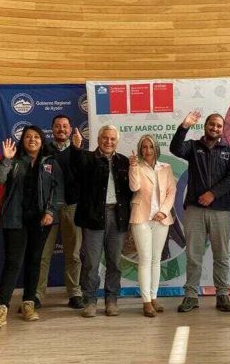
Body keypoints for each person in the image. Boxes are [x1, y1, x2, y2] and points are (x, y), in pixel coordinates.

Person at [0, 125, 64, 329]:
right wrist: (6, 160)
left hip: (41, 221)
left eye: (36, 136)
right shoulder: (14, 160)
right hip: (15, 220)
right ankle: (1, 308)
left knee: (34, 261)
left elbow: (57, 191)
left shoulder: (50, 162)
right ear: (23, 141)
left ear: (42, 140)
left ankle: (28, 303)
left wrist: (50, 212)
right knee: (12, 263)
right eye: (28, 136)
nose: (32, 139)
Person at [170, 111, 230, 312]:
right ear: (205, 126)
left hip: (220, 210)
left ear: (222, 129)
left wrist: (213, 194)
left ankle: (222, 294)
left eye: (219, 126)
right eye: (212, 124)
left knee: (221, 255)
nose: (215, 128)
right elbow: (175, 148)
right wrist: (184, 126)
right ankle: (191, 295)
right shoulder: (193, 147)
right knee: (193, 255)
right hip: (195, 209)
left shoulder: (229, 151)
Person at [71, 125, 132, 318]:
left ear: (117, 141)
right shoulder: (87, 158)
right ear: (98, 140)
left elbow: (130, 190)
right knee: (91, 262)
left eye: (113, 139)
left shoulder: (124, 161)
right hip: (93, 217)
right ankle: (90, 300)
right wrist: (76, 149)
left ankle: (111, 300)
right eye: (105, 138)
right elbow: (75, 170)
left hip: (118, 216)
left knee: (115, 262)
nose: (108, 142)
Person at [36, 115, 83, 310]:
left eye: (65, 126)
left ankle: (74, 293)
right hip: (48, 209)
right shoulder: (43, 150)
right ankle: (37, 294)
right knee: (43, 254)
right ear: (52, 129)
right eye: (57, 126)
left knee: (74, 254)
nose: (61, 129)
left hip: (72, 207)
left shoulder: (78, 150)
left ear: (70, 129)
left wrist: (77, 150)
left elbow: (82, 176)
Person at [128, 134, 176, 317]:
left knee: (156, 260)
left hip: (161, 219)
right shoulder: (137, 166)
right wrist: (133, 167)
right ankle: (146, 301)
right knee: (145, 259)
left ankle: (154, 297)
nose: (147, 150)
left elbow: (171, 192)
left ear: (156, 148)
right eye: (144, 147)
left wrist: (163, 211)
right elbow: (134, 187)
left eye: (150, 146)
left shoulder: (166, 167)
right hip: (141, 217)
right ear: (140, 149)